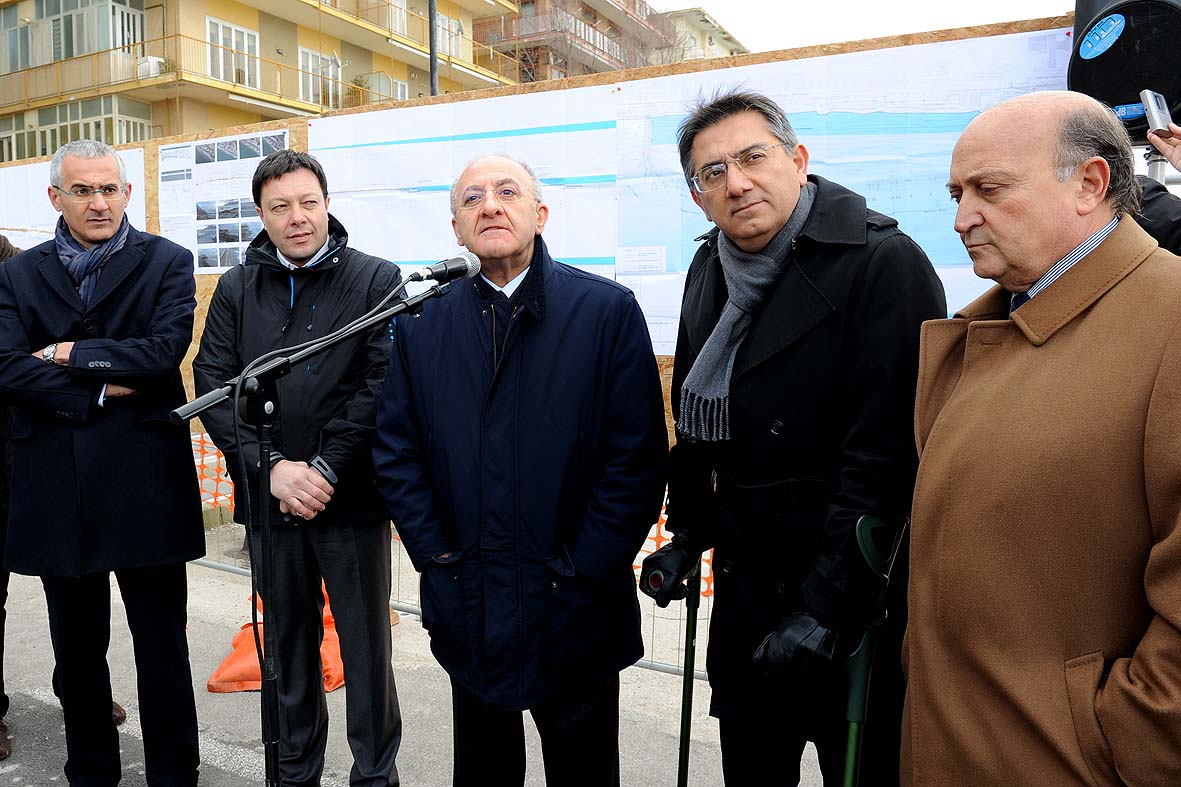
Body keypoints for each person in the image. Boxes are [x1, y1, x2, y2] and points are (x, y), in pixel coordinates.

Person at [639, 89, 946, 786]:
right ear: (697, 196)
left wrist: (826, 609)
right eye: (711, 172)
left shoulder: (881, 261)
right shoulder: (707, 268)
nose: (736, 182)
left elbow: (888, 462)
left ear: (797, 159)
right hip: (747, 594)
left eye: (752, 157)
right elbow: (700, 431)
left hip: (849, 605)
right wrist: (685, 533)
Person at [903, 90, 1181, 784]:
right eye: (955, 193)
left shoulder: (1170, 319)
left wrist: (1115, 741)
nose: (963, 217)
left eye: (988, 189)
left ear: (1088, 183)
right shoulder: (992, 323)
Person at [372, 153, 667, 787]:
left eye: (507, 192)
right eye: (472, 198)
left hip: (574, 604)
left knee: (583, 768)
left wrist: (583, 569)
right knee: (481, 768)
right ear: (456, 229)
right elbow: (397, 452)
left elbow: (635, 461)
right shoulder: (423, 324)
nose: (490, 205)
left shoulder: (605, 313)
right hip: (468, 597)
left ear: (541, 214)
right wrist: (437, 557)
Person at [193, 149, 403, 787]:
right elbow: (214, 378)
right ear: (261, 215)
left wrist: (323, 469)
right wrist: (272, 468)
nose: (297, 218)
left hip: (351, 499)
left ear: (328, 203)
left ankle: (373, 774)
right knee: (285, 645)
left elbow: (380, 384)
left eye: (308, 202)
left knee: (366, 650)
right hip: (268, 499)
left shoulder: (375, 279)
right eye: (280, 207)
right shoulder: (236, 287)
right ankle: (294, 770)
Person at [0, 140, 203, 784]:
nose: (100, 202)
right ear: (56, 197)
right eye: (83, 190)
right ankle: (91, 768)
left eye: (110, 189)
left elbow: (161, 355)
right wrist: (96, 384)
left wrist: (61, 354)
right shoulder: (18, 274)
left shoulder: (168, 262)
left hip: (146, 483)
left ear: (127, 193)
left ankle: (175, 771)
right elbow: (6, 368)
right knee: (78, 647)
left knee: (161, 644)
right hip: (56, 482)